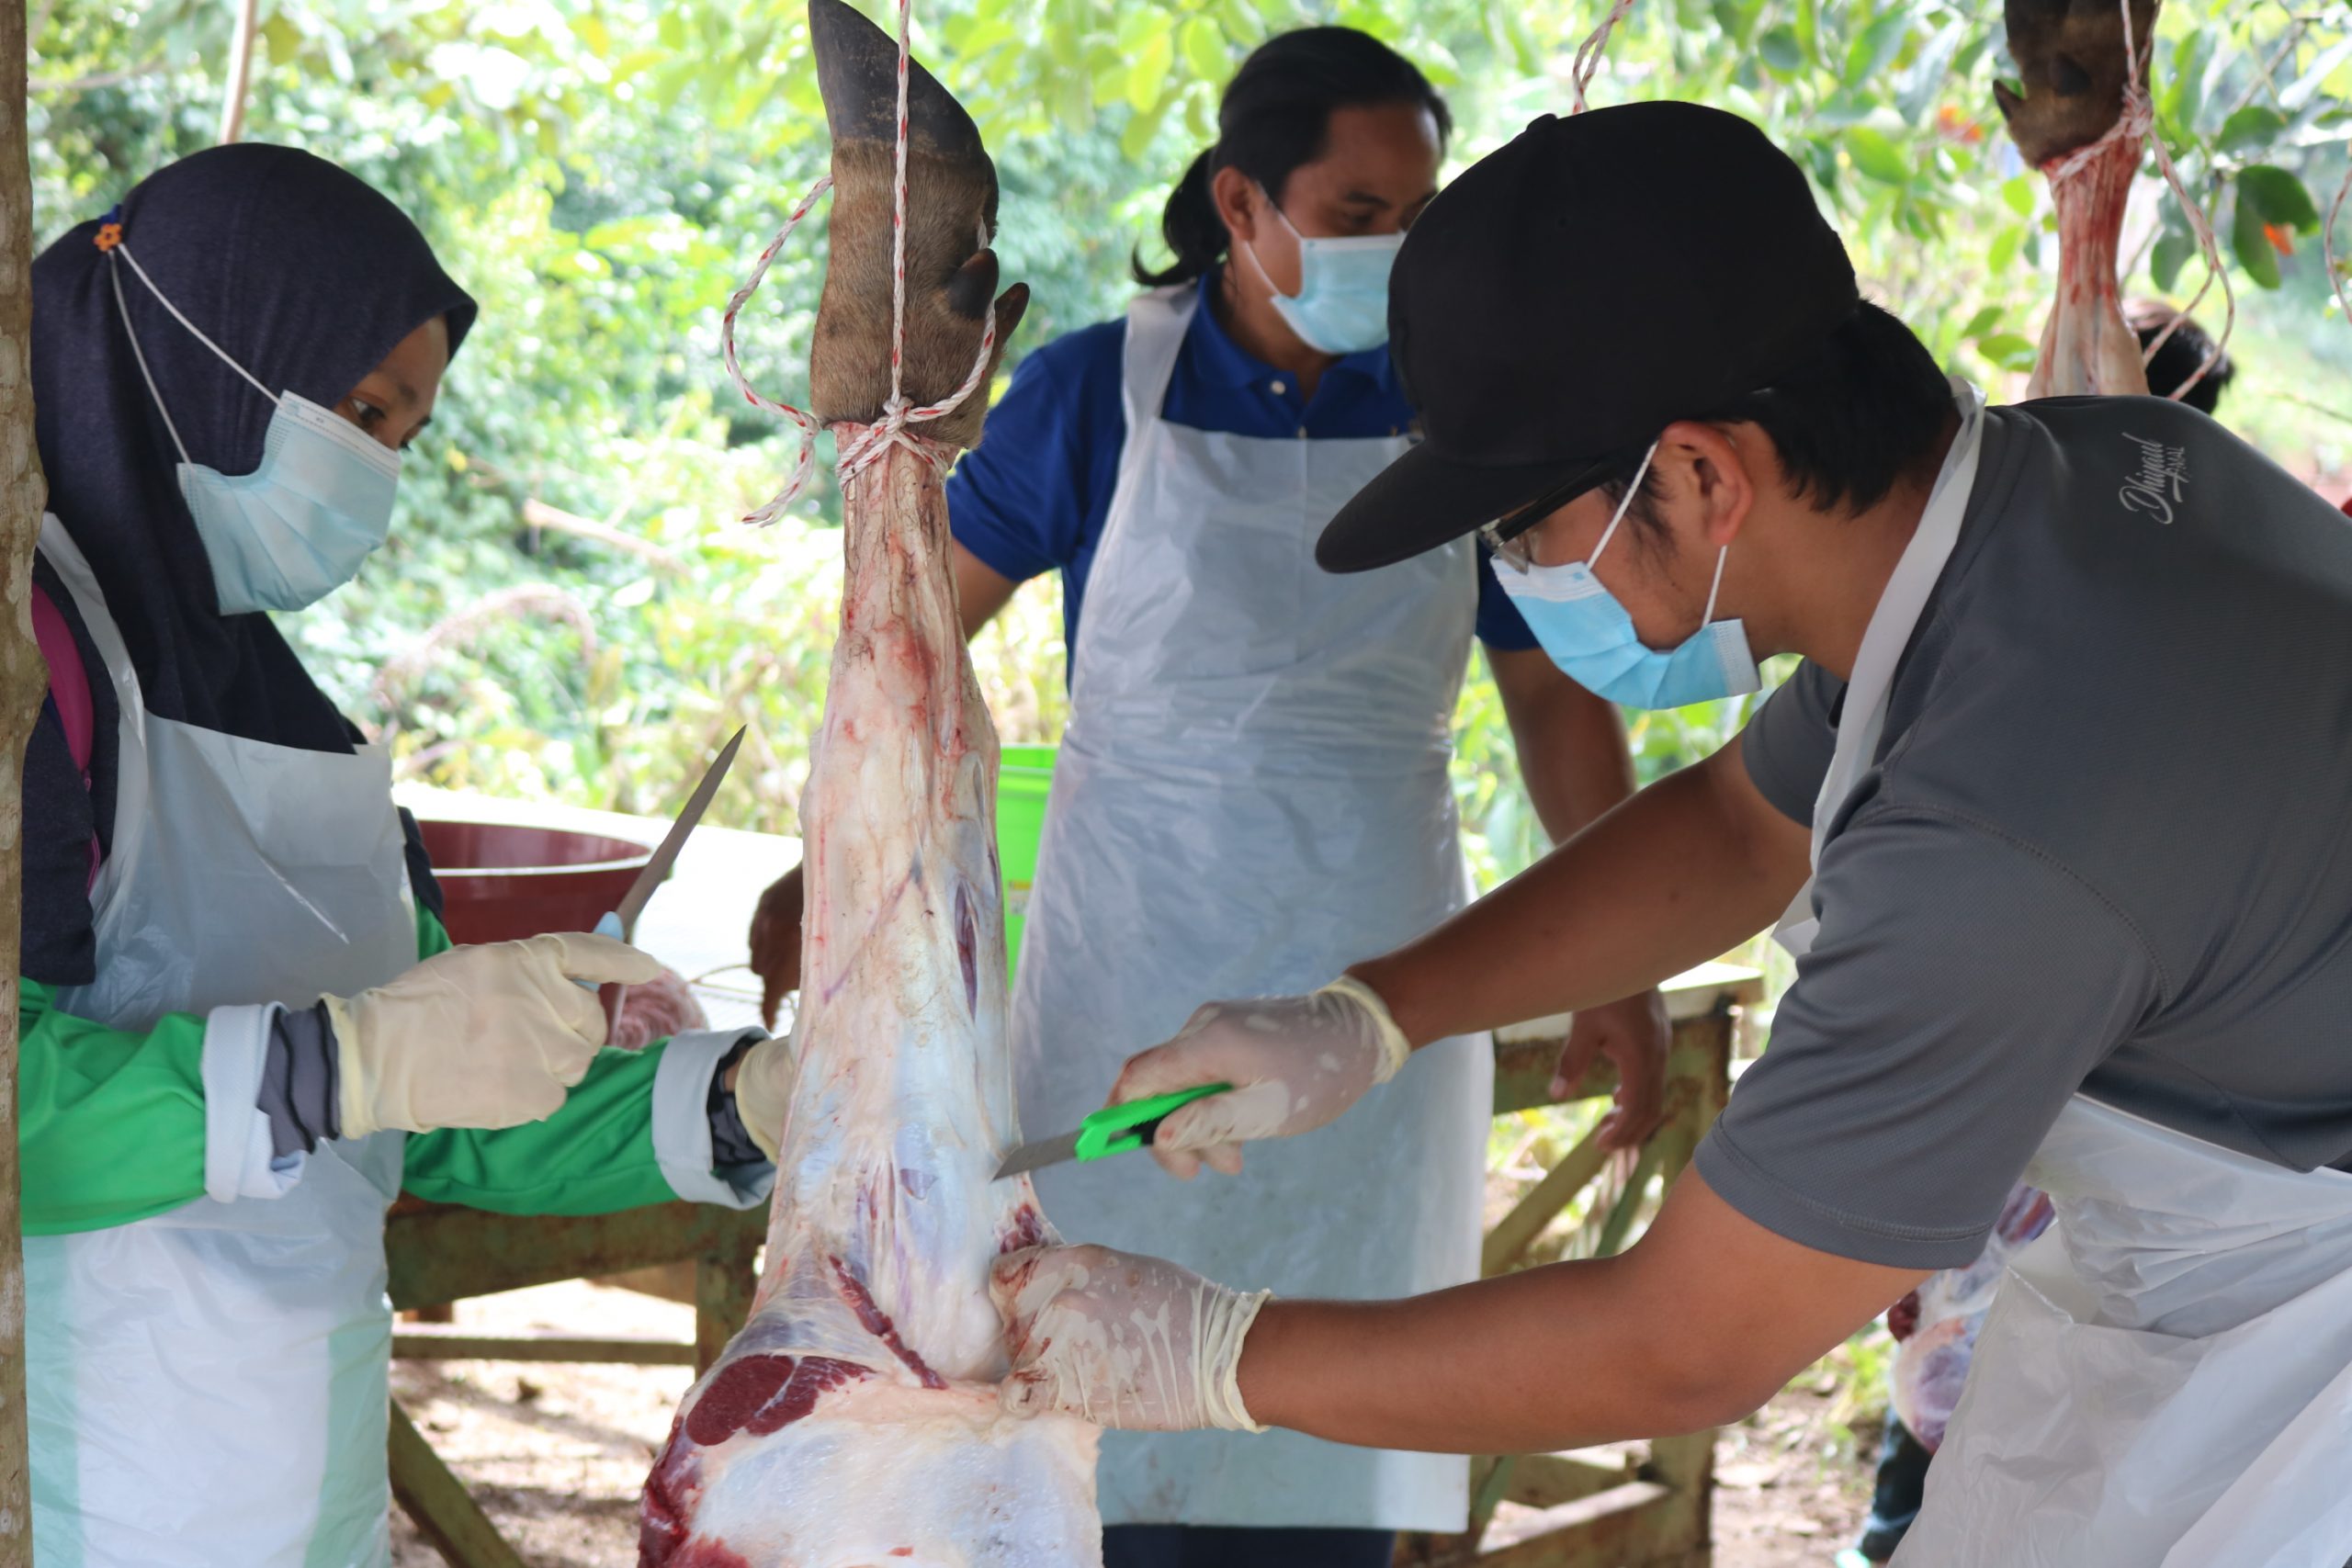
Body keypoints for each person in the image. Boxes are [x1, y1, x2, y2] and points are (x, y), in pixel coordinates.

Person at [989, 103, 2352, 1568]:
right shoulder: (2066, 485)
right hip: (2208, 1276)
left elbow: (1684, 1345)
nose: (1518, 572)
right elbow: (1740, 823)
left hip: (2297, 1361)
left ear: (1701, 477)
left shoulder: (2000, 831)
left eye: (1520, 530)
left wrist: (1211, 1358)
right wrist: (1369, 1015)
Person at [747, 28, 1666, 1565]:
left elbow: (1554, 706)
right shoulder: (1095, 393)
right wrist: (832, 868)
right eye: (1360, 211)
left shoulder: (1471, 415)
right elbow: (906, 639)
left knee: (1332, 1439)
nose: (1396, 249)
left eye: (1416, 217)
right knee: (1071, 1443)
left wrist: (1618, 970)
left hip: (1381, 979)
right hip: (1128, 974)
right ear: (1243, 206)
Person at [20, 143, 797, 1568]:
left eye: (405, 433)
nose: (374, 467)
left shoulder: (279, 708)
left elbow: (428, 1107)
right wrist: (341, 1062)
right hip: (80, 1502)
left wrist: (743, 1100)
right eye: (361, 408)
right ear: (204, 342)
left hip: (290, 1501)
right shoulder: (39, 673)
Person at [1840, 298, 2236, 1568]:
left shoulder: (2180, 622)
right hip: (2027, 1143)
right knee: (1971, 1439)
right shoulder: (2017, 611)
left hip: (2113, 1153)